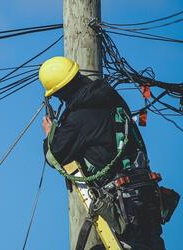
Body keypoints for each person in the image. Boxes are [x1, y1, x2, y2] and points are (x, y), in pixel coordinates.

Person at [39, 56, 165, 249]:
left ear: (59, 92)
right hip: (147, 189)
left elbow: (56, 155)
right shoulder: (111, 97)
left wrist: (50, 134)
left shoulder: (78, 117)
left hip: (123, 199)